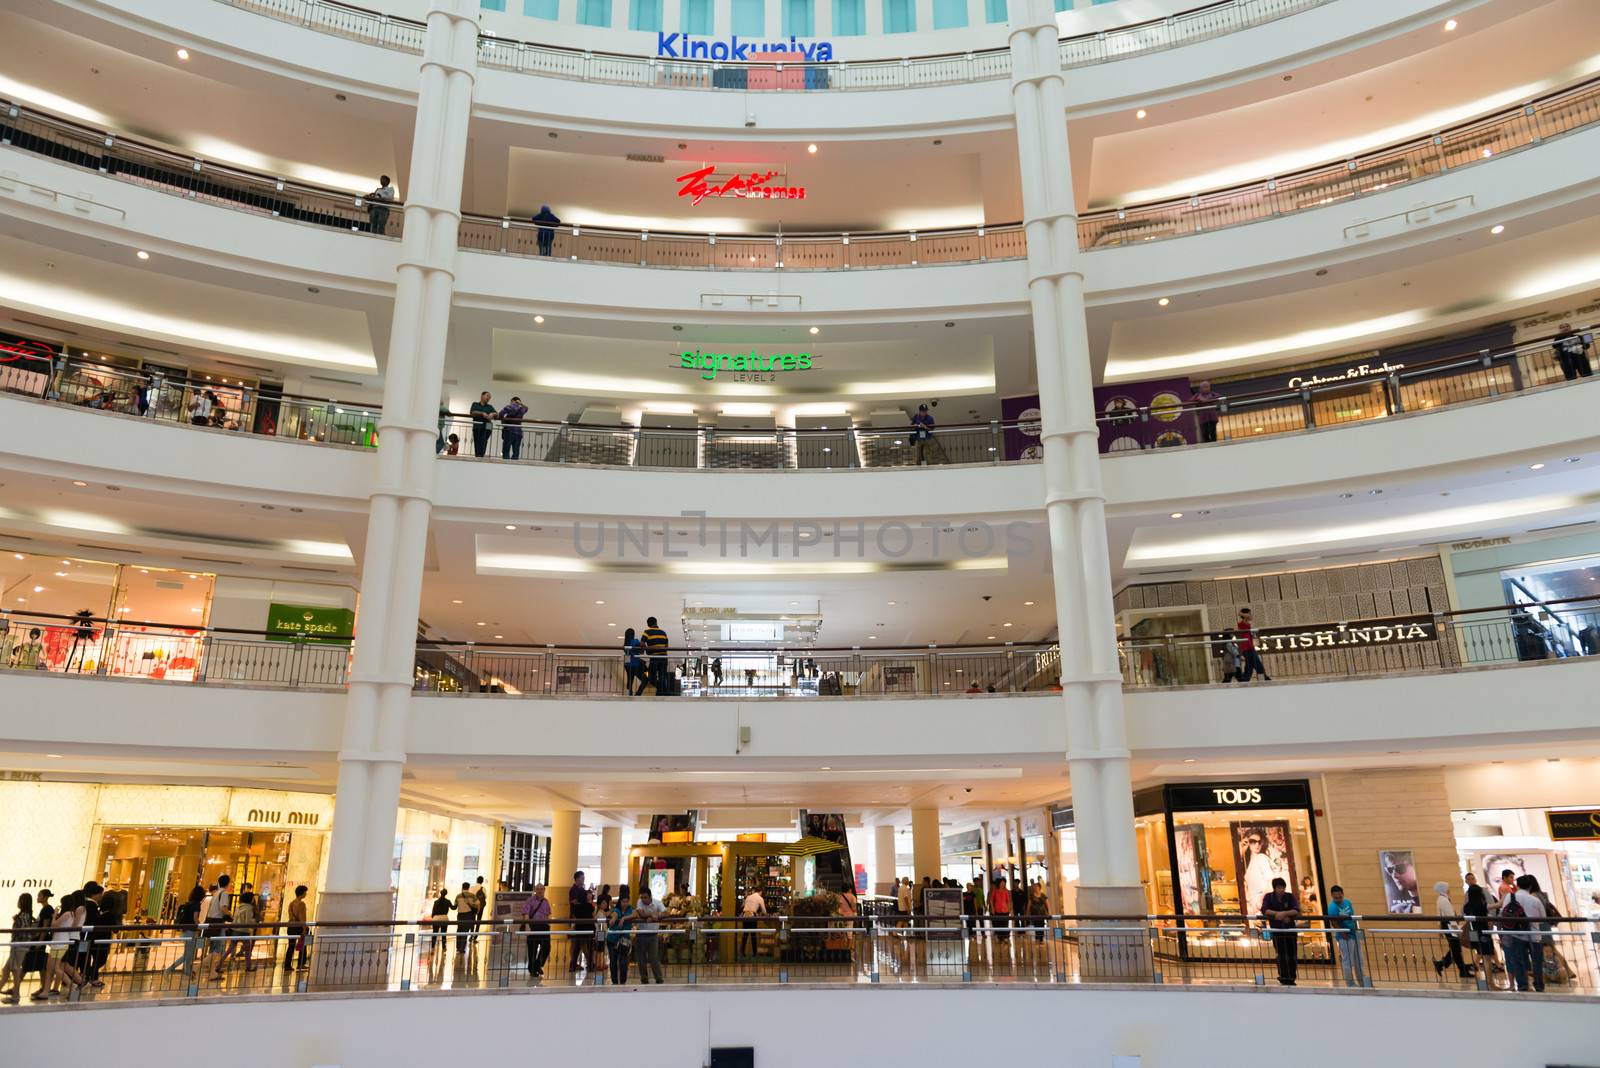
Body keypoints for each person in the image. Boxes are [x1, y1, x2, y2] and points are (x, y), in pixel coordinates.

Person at [1497, 874, 1547, 993]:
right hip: (1534, 935)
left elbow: (1503, 912)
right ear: (1530, 886)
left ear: (1517, 885)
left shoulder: (1509, 897)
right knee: (1536, 962)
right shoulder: (1534, 900)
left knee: (1518, 961)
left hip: (1515, 933)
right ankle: (1539, 985)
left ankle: (1523, 985)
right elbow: (1543, 917)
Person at [1260, 877, 1301, 985]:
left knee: (1292, 954)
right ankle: (1283, 976)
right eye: (1279, 887)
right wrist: (1276, 914)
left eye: (1283, 887)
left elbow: (1296, 909)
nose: (1281, 890)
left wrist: (1284, 914)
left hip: (1290, 930)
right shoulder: (1269, 897)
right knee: (1281, 954)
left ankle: (1292, 977)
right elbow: (1264, 909)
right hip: (1277, 931)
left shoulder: (1290, 896)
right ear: (1274, 888)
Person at [1324, 885, 1364, 987]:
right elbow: (1334, 922)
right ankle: (1350, 983)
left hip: (1353, 933)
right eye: (1336, 898)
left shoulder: (1347, 902)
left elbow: (1353, 917)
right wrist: (1342, 933)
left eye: (1340, 897)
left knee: (1359, 959)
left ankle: (1362, 981)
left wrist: (1357, 930)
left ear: (1343, 894)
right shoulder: (1332, 907)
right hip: (1344, 936)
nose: (1338, 899)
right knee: (1348, 960)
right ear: (1332, 896)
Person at [1431, 880, 1472, 979]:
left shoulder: (1441, 899)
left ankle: (1443, 964)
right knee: (1456, 949)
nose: (1449, 890)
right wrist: (1456, 931)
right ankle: (1461, 970)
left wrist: (1441, 929)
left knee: (1455, 948)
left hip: (1447, 926)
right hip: (1450, 927)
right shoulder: (1444, 900)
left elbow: (1440, 915)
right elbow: (1450, 917)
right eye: (1448, 888)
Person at [1, 892, 34, 1002]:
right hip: (18, 946)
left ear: (23, 902)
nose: (18, 902)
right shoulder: (25, 915)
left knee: (15, 970)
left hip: (19, 946)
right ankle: (15, 994)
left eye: (19, 900)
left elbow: (24, 932)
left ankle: (16, 996)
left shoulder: (24, 916)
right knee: (6, 970)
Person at [205, 874, 235, 980]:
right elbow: (223, 908)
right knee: (218, 948)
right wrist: (231, 914)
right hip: (218, 923)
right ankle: (197, 967)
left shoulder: (216, 893)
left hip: (211, 923)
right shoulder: (224, 893)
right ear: (228, 883)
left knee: (213, 948)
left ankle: (212, 972)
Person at [519, 884, 552, 979]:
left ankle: (537, 965)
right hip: (534, 927)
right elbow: (525, 914)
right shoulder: (530, 901)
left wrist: (549, 925)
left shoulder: (546, 902)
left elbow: (548, 915)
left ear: (544, 890)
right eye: (538, 889)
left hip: (545, 927)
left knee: (546, 948)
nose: (540, 891)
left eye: (541, 889)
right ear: (535, 890)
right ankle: (533, 970)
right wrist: (528, 926)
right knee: (532, 950)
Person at [1461, 876, 1491, 974]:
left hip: (1473, 931)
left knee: (1478, 949)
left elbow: (1463, 913)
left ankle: (1476, 965)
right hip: (1483, 932)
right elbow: (1495, 905)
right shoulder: (1482, 906)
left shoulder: (1467, 906)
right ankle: (1489, 980)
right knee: (1486, 955)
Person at [567, 871, 595, 972]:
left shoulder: (582, 889)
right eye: (582, 878)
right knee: (575, 943)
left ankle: (585, 962)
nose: (584, 879)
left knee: (580, 942)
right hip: (576, 919)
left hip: (582, 920)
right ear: (577, 879)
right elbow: (574, 903)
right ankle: (574, 963)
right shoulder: (573, 890)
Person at [1236, 607, 1271, 682]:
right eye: (1249, 613)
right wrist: (1243, 613)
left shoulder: (1245, 622)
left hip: (1248, 647)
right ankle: (1264, 679)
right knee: (1257, 665)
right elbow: (1246, 616)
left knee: (1249, 667)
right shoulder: (1243, 622)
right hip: (1247, 648)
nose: (1251, 615)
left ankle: (1244, 680)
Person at [605, 894, 634, 985]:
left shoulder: (630, 909)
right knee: (613, 961)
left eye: (626, 901)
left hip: (624, 941)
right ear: (620, 902)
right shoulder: (616, 909)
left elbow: (635, 914)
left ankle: (622, 981)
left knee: (623, 962)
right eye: (623, 901)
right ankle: (614, 981)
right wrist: (613, 919)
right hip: (612, 940)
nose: (625, 903)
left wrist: (624, 918)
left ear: (628, 901)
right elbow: (614, 915)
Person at [642, 616, 670, 695]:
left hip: (654, 658)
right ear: (656, 622)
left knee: (651, 676)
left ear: (648, 624)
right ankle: (662, 692)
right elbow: (666, 647)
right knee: (662, 676)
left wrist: (650, 648)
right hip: (664, 658)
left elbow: (642, 644)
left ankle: (660, 690)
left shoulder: (647, 632)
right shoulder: (663, 632)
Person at [284, 885, 309, 972]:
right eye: (305, 892)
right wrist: (304, 928)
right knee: (303, 945)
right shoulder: (301, 904)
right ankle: (301, 964)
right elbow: (302, 918)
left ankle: (287, 965)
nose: (306, 894)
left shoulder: (292, 903)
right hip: (299, 927)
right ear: (302, 893)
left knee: (291, 946)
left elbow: (291, 916)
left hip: (291, 927)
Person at [739, 884, 767, 957]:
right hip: (752, 915)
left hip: (745, 915)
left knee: (745, 934)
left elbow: (743, 906)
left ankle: (742, 952)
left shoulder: (748, 897)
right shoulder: (760, 898)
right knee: (753, 935)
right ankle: (754, 953)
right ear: (760, 892)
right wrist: (764, 914)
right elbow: (764, 911)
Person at [498, 396, 528, 460]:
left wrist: (503, 420)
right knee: (516, 450)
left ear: (512, 401)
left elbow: (500, 414)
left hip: (508, 430)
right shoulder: (522, 409)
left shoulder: (509, 407)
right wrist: (521, 404)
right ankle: (514, 464)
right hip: (518, 432)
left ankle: (506, 462)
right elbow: (527, 408)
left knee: (506, 449)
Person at [469, 391, 495, 458]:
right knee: (477, 440)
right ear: (482, 396)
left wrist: (492, 414)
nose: (488, 398)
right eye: (487, 396)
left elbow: (496, 414)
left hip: (488, 425)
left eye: (490, 397)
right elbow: (472, 412)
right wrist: (482, 413)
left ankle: (481, 455)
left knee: (484, 440)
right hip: (478, 426)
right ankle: (478, 455)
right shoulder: (475, 404)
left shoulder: (490, 406)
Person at [622, 627, 648, 696]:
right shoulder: (635, 641)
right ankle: (638, 694)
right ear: (633, 634)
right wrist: (643, 646)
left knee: (630, 680)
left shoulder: (625, 644)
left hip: (627, 664)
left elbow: (627, 653)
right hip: (635, 664)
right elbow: (642, 650)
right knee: (646, 679)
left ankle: (629, 695)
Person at [453, 882, 476, 956]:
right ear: (468, 887)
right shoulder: (472, 896)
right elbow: (478, 904)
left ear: (462, 887)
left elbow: (455, 906)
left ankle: (458, 947)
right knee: (465, 931)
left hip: (460, 915)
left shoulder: (458, 896)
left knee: (459, 930)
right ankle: (462, 948)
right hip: (468, 915)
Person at [988, 876, 1012, 944]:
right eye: (1002, 883)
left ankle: (1005, 938)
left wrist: (1009, 908)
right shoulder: (995, 891)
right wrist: (992, 908)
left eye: (1004, 883)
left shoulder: (1006, 891)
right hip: (997, 910)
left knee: (1005, 924)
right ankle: (1000, 938)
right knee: (998, 924)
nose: (1003, 884)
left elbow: (1008, 901)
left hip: (1005, 910)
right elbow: (991, 900)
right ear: (999, 883)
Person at [429, 886, 452, 953]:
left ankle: (433, 948)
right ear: (446, 894)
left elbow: (433, 912)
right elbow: (453, 908)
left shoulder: (436, 902)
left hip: (436, 918)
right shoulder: (448, 901)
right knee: (443, 934)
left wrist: (433, 918)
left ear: (440, 893)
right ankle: (444, 947)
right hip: (444, 918)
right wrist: (457, 903)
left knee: (435, 933)